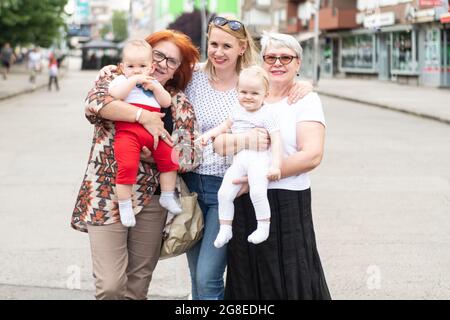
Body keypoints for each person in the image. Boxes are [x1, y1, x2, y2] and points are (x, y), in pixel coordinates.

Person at [182, 16, 313, 300]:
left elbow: (283, 86)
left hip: (228, 184)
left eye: (227, 45)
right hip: (191, 183)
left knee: (208, 276)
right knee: (196, 276)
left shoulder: (252, 80)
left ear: (241, 47)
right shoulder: (193, 78)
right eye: (213, 44)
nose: (218, 51)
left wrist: (306, 84)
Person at [71, 30, 201, 300]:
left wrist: (153, 156)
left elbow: (191, 154)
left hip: (153, 202)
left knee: (137, 287)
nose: (162, 64)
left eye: (172, 61)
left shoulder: (178, 102)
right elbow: (95, 105)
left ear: (178, 70)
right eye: (158, 55)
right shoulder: (114, 78)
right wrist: (143, 116)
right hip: (106, 195)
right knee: (110, 286)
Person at [214, 32, 331, 300]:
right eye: (271, 57)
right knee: (247, 273)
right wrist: (243, 141)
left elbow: (312, 155)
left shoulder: (306, 100)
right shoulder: (250, 95)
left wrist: (264, 177)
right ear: (262, 61)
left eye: (286, 57)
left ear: (298, 63)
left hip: (287, 197)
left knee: (290, 274)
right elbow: (221, 142)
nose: (278, 63)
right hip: (245, 198)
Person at [198, 65, 282, 248]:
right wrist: (208, 135)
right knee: (224, 193)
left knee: (258, 192)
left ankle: (263, 226)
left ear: (265, 94)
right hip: (239, 161)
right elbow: (223, 127)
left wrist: (276, 166)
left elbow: (276, 141)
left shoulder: (267, 114)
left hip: (259, 160)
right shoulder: (237, 110)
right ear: (237, 91)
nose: (248, 97)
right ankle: (225, 228)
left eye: (254, 93)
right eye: (243, 91)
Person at [108, 39, 181, 228]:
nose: (136, 70)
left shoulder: (154, 83)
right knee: (127, 165)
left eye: (142, 66)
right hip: (128, 132)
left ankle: (166, 195)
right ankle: (124, 205)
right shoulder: (121, 80)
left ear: (151, 67)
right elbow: (116, 95)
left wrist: (156, 87)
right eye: (131, 66)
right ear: (123, 67)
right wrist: (131, 81)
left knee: (170, 159)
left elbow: (165, 102)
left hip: (155, 134)